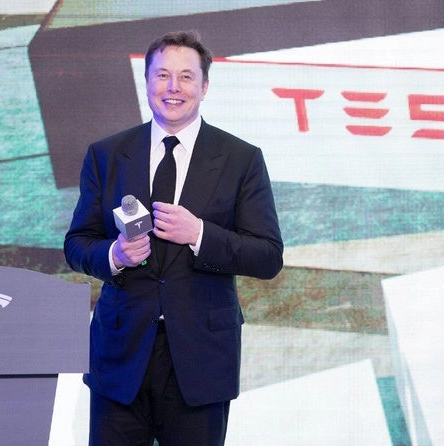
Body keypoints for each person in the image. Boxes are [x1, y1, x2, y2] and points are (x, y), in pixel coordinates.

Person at [64, 30, 284, 445]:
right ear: (146, 81)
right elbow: (77, 244)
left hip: (201, 360)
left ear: (204, 86)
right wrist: (115, 255)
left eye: (186, 77)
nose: (173, 88)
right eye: (162, 75)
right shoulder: (106, 155)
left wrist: (199, 234)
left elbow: (268, 256)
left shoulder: (241, 159)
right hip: (120, 355)